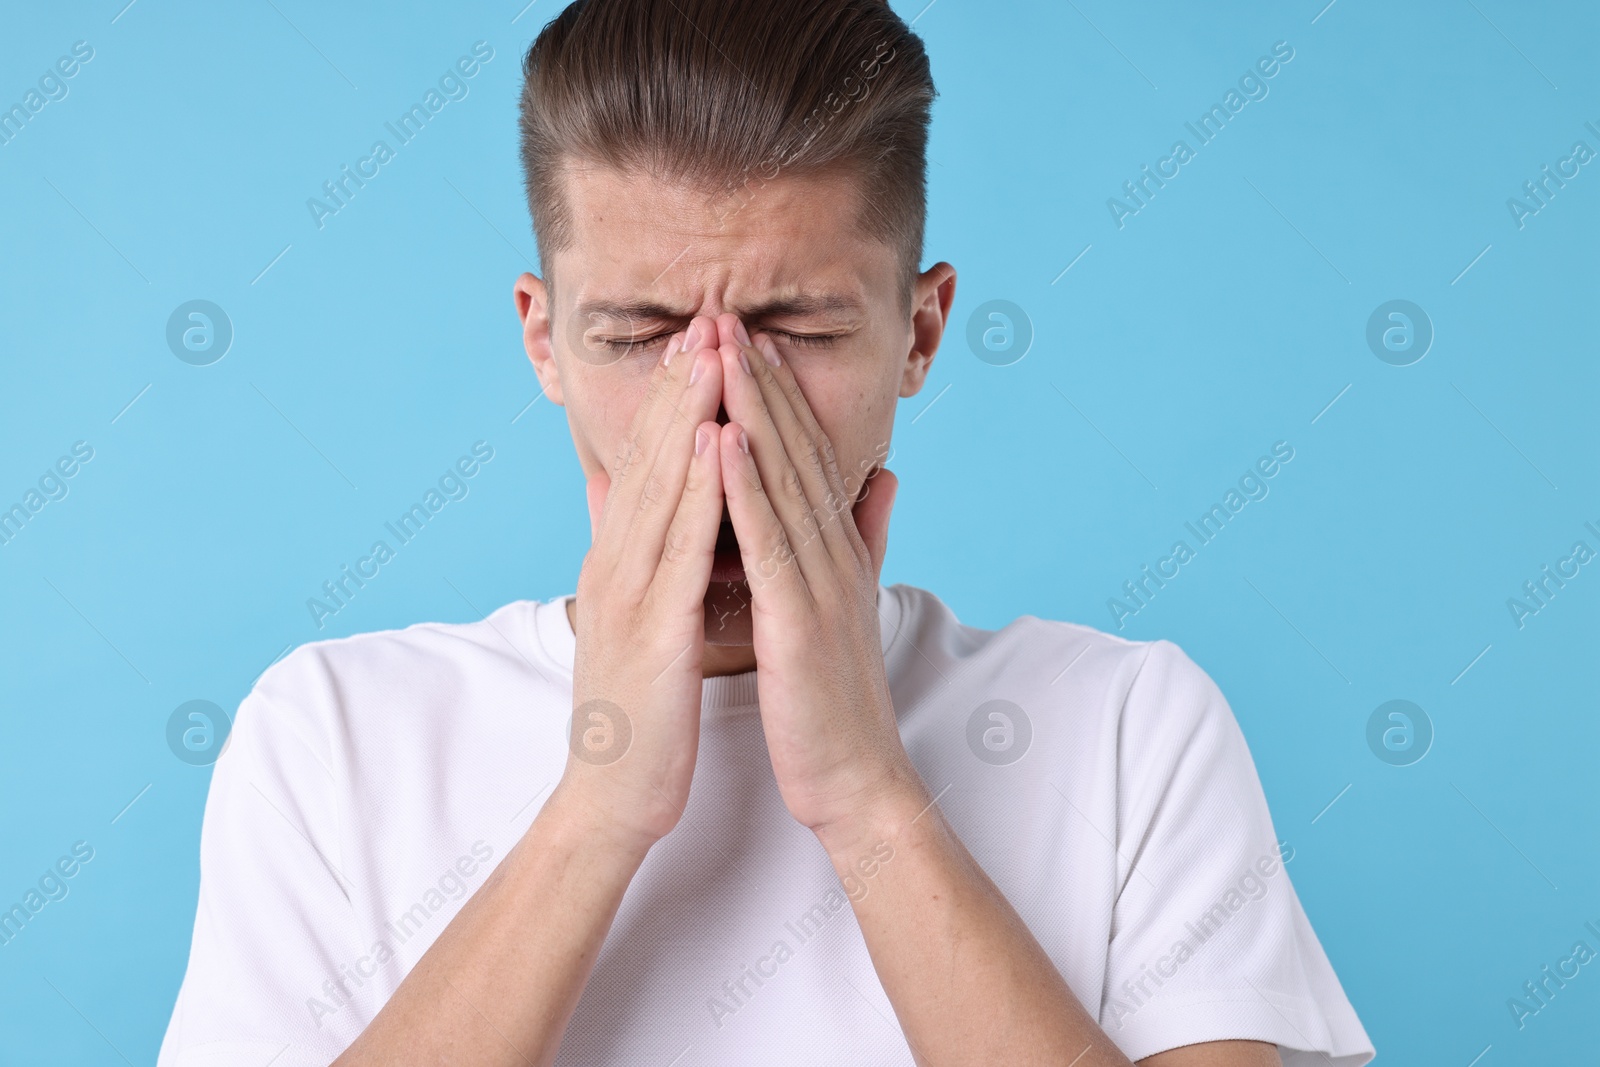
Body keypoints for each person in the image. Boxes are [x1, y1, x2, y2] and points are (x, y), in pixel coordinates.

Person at [158, 1, 1375, 1064]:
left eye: (798, 325)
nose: (722, 407)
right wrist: (597, 805)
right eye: (639, 334)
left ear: (920, 330)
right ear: (544, 341)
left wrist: (866, 791)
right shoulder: (327, 737)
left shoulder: (1133, 729)